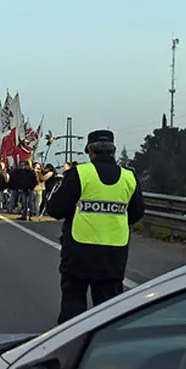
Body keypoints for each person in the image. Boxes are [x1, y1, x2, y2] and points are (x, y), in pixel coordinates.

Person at [47, 130, 145, 324]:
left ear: (90, 151)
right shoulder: (129, 177)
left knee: (73, 305)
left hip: (79, 250)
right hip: (114, 252)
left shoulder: (79, 174)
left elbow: (56, 209)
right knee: (108, 309)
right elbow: (137, 213)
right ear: (113, 150)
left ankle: (72, 339)